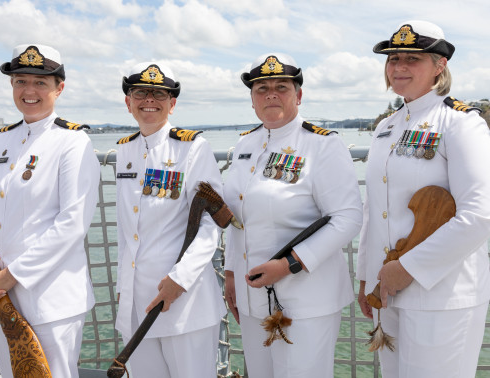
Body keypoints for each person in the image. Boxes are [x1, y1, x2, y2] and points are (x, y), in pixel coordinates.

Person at [357, 20, 490, 378]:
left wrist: (408, 270)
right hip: (388, 290)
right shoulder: (387, 127)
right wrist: (367, 278)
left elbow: (480, 215)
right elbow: (375, 209)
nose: (399, 67)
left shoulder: (460, 123)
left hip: (442, 295)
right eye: (393, 58)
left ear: (439, 66)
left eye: (412, 58)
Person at [223, 53, 362, 377]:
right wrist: (231, 273)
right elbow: (238, 216)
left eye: (281, 87)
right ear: (252, 100)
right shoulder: (245, 145)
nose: (271, 93)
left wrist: (289, 265)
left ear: (298, 95)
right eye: (261, 88)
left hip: (306, 300)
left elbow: (348, 217)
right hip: (252, 297)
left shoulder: (322, 145)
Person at [0, 44, 100, 377]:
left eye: (41, 82)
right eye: (20, 81)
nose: (29, 90)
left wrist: (10, 276)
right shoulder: (1, 141)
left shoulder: (73, 142)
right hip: (1, 295)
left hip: (50, 299)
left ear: (59, 88)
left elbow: (72, 224)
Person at [114, 62, 226, 378]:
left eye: (159, 93)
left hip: (184, 302)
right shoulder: (125, 150)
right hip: (139, 304)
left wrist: (181, 278)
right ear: (128, 102)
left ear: (172, 104)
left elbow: (210, 222)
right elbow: (127, 229)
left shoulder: (192, 148)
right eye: (140, 92)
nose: (149, 99)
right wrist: (125, 284)